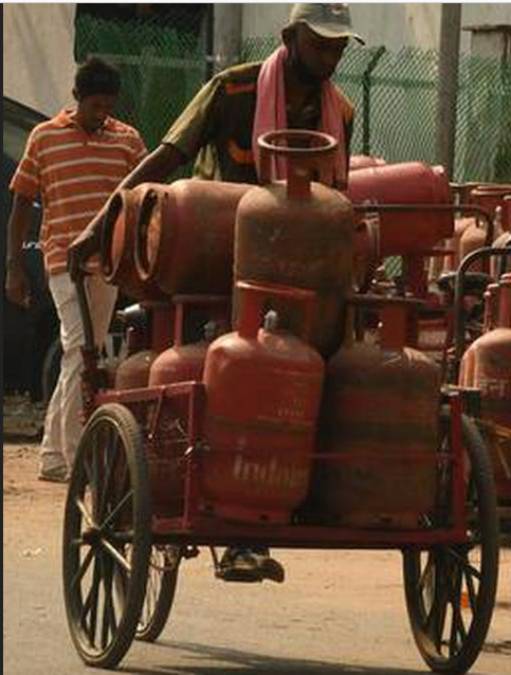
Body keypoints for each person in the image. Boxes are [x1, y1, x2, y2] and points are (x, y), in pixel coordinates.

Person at [67, 3, 362, 585]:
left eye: (338, 47)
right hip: (215, 266)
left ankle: (321, 486)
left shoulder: (341, 112)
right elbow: (166, 159)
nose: (329, 56)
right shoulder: (232, 90)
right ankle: (239, 529)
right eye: (319, 43)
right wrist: (100, 224)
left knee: (342, 368)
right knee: (245, 377)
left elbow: (339, 193)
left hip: (304, 269)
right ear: (290, 37)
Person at [6, 57, 147, 483]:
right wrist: (14, 266)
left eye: (108, 105)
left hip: (105, 265)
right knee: (81, 350)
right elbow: (19, 205)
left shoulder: (127, 141)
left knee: (83, 351)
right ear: (77, 99)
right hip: (62, 261)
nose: (101, 113)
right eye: (94, 105)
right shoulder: (44, 137)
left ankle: (52, 456)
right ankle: (72, 458)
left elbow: (141, 201)